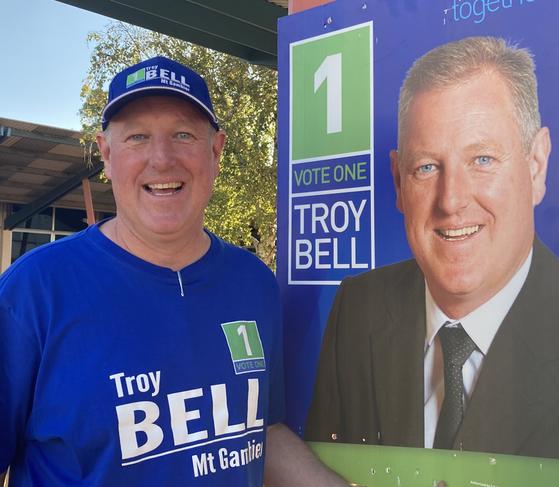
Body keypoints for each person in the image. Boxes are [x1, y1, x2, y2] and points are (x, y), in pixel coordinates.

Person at [0, 56, 345, 486]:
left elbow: (261, 433)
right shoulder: (34, 291)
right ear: (106, 156)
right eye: (138, 137)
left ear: (215, 151)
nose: (161, 160)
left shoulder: (253, 283)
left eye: (182, 135)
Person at [306, 37, 559, 460]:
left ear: (536, 165)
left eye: (482, 159)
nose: (451, 201)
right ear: (398, 181)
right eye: (427, 167)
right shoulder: (358, 309)